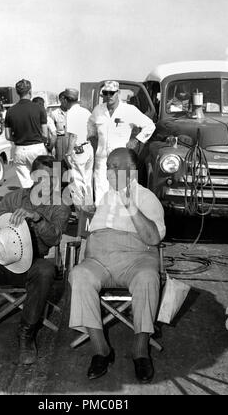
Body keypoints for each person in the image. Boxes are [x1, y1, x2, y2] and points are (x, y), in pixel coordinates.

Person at [0, 155, 71, 366]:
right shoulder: (13, 198)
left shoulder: (61, 206)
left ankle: (27, 334)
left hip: (32, 261)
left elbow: (54, 238)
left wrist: (37, 218)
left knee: (45, 271)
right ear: (32, 176)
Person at [69, 148, 165, 383]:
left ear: (132, 171)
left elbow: (153, 238)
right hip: (99, 259)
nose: (108, 172)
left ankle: (140, 351)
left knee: (147, 278)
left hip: (135, 259)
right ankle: (101, 350)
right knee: (79, 275)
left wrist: (130, 205)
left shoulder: (146, 197)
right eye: (107, 167)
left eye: (115, 167)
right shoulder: (105, 197)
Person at [87, 81, 156, 205]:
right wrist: (92, 137)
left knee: (122, 190)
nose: (108, 96)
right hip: (102, 158)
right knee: (100, 188)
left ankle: (121, 221)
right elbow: (90, 123)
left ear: (118, 93)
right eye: (105, 93)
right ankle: (101, 217)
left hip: (121, 159)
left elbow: (150, 125)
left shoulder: (129, 110)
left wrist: (137, 140)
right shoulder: (98, 110)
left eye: (112, 93)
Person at [5, 79, 49, 188]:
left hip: (20, 150)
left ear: (18, 93)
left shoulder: (10, 111)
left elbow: (7, 135)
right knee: (42, 181)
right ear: (30, 92)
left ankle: (29, 203)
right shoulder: (39, 108)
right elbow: (45, 134)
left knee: (26, 185)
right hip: (37, 148)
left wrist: (18, 138)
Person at [63, 88, 94, 210]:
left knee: (76, 183)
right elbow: (92, 131)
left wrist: (68, 153)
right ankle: (89, 208)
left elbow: (73, 135)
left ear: (65, 99)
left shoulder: (71, 113)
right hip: (88, 147)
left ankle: (82, 213)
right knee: (87, 181)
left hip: (78, 150)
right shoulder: (85, 111)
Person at [49, 91, 68, 162]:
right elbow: (51, 131)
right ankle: (57, 173)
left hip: (71, 138)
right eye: (64, 99)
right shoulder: (54, 113)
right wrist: (52, 145)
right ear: (60, 99)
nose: (66, 101)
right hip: (60, 139)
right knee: (58, 161)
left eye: (68, 99)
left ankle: (69, 173)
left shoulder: (73, 112)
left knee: (71, 161)